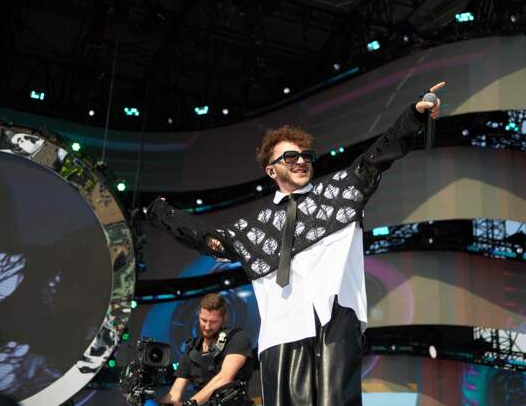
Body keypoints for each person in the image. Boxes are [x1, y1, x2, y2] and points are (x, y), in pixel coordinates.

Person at [148, 82, 444, 405]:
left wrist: (414, 115)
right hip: (282, 334)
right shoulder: (254, 230)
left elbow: (376, 158)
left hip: (335, 321)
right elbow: (208, 239)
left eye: (305, 156)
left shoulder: (339, 194)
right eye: (290, 157)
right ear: (271, 170)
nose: (301, 161)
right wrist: (161, 214)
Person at [159, 293, 254, 406]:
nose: (207, 327)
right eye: (203, 320)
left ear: (224, 318)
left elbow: (225, 378)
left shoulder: (237, 338)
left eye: (213, 322)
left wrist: (189, 404)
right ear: (199, 315)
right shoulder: (192, 349)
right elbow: (175, 392)